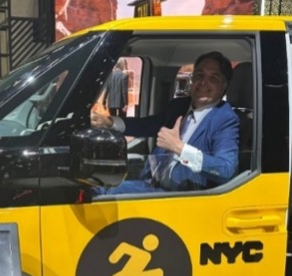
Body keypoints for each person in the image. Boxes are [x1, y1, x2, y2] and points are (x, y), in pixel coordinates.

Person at [92, 51, 239, 193]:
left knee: (105, 197)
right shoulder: (179, 106)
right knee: (96, 187)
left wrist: (180, 148)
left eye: (213, 78)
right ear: (192, 79)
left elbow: (226, 169)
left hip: (181, 196)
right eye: (199, 75)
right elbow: (149, 125)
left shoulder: (225, 118)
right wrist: (109, 122)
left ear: (223, 86)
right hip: (150, 184)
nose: (203, 82)